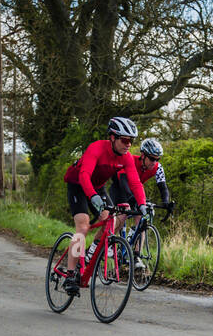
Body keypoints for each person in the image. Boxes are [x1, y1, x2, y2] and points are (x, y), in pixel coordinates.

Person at [61, 116, 148, 293]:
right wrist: (92, 196)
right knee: (83, 227)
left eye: (131, 141)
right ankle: (70, 275)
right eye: (124, 140)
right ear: (112, 137)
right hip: (78, 184)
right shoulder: (97, 148)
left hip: (98, 187)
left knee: (112, 220)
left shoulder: (127, 158)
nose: (128, 144)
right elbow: (84, 175)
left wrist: (143, 205)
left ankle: (91, 252)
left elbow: (135, 183)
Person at [107, 137, 174, 219]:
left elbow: (163, 187)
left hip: (136, 189)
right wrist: (131, 197)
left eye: (157, 159)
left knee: (142, 213)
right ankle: (113, 230)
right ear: (143, 155)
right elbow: (123, 181)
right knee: (123, 215)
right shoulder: (130, 160)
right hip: (119, 188)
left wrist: (166, 202)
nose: (154, 162)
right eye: (152, 159)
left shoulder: (158, 167)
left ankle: (140, 231)